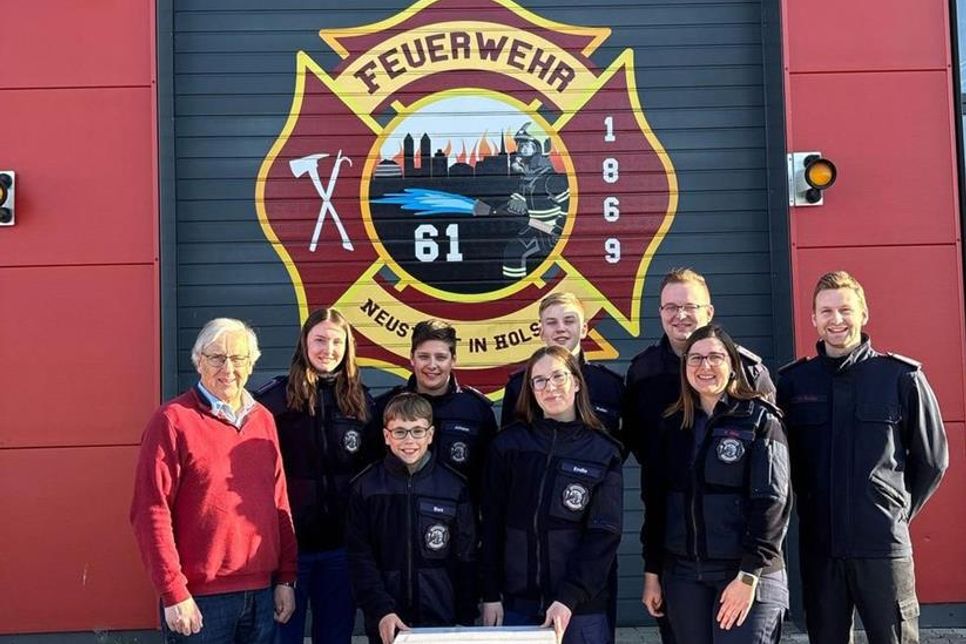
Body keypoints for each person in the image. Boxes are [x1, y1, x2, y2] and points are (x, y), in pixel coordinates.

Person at [777, 271, 948, 644]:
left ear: (864, 313)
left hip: (883, 548)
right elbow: (779, 463)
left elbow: (933, 460)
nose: (836, 320)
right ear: (813, 319)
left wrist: (896, 510)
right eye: (826, 311)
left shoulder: (901, 378)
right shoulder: (792, 383)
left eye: (845, 310)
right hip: (820, 548)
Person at [625, 268, 774, 644]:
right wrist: (653, 566)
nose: (680, 315)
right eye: (671, 307)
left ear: (709, 312)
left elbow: (774, 476)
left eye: (690, 306)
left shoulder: (749, 369)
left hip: (737, 546)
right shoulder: (642, 371)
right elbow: (648, 463)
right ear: (659, 313)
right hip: (675, 545)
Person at [131, 318, 297, 643]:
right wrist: (173, 592)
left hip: (262, 594)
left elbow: (279, 503)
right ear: (198, 361)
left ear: (251, 364)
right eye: (216, 357)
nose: (228, 368)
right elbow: (151, 511)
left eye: (238, 358)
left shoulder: (262, 419)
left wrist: (286, 578)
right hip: (200, 600)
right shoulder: (172, 420)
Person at [641, 324, 791, 644]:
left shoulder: (761, 420)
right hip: (684, 577)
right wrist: (652, 572)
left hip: (747, 574)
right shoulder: (671, 425)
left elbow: (772, 503)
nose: (704, 366)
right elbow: (656, 505)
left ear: (733, 364)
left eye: (715, 357)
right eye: (695, 359)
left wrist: (748, 575)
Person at [482, 345, 623, 644]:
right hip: (517, 604)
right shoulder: (509, 446)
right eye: (540, 380)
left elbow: (604, 536)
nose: (550, 387)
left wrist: (569, 598)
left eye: (558, 377)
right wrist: (490, 594)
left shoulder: (603, 451)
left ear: (575, 381)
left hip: (580, 610)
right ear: (531, 390)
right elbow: (492, 525)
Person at [255, 307, 379, 644]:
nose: (328, 349)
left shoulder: (361, 403)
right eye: (320, 340)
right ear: (304, 344)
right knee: (283, 637)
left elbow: (373, 475)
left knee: (336, 637)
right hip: (289, 552)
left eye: (337, 341)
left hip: (341, 550)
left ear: (347, 347)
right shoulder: (274, 401)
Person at [346, 392, 478, 644]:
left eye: (417, 431)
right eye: (400, 432)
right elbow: (360, 558)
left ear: (430, 435)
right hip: (388, 621)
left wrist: (465, 615)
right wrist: (381, 610)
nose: (409, 440)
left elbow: (466, 557)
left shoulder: (454, 487)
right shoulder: (366, 488)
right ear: (386, 436)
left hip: (442, 620)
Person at [373, 319, 496, 500]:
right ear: (412, 358)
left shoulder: (476, 411)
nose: (432, 365)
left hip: (458, 517)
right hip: (399, 515)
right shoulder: (387, 407)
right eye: (424, 356)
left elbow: (489, 478)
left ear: (453, 359)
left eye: (440, 357)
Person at [502, 292, 624, 440]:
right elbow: (508, 444)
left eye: (569, 321)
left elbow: (622, 441)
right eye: (552, 322)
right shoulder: (519, 385)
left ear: (584, 329)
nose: (560, 328)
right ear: (541, 332)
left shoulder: (609, 385)